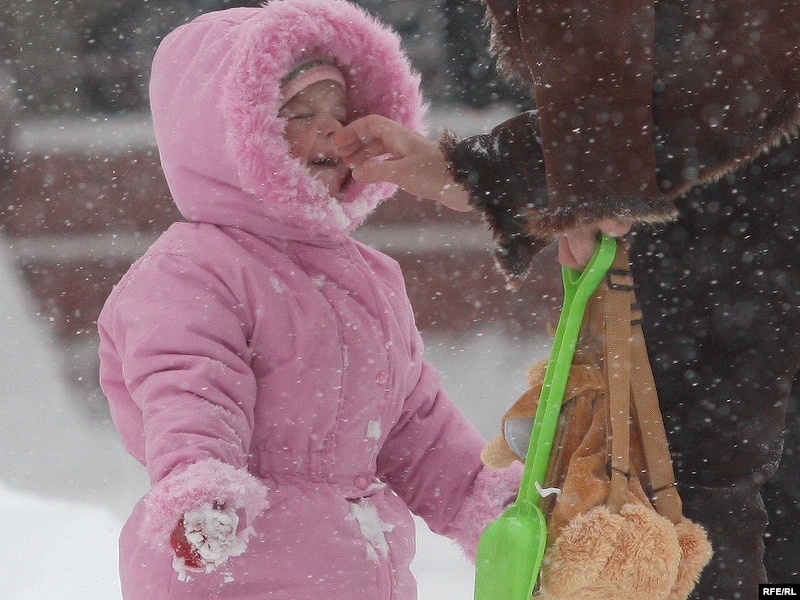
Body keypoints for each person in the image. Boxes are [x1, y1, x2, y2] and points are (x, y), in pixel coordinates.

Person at [334, 1, 800, 597]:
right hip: (732, 205)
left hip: (731, 212)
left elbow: (727, 70)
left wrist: (564, 181)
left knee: (680, 489)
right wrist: (551, 179)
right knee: (706, 486)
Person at [97, 2, 523, 598]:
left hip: (356, 568)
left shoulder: (370, 279)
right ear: (230, 136)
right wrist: (201, 487)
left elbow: (412, 421)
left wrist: (482, 498)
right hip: (235, 568)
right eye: (299, 112)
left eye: (341, 112)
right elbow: (187, 383)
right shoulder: (193, 271)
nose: (332, 130)